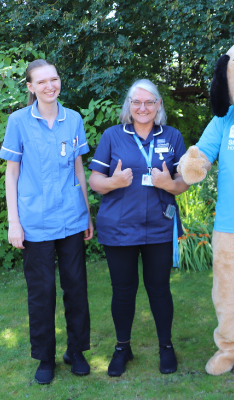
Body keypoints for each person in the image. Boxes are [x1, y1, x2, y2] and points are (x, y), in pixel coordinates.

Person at [1, 59, 94, 384]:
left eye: (53, 79)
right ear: (30, 87)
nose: (49, 86)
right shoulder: (18, 121)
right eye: (41, 82)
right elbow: (11, 175)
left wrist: (86, 213)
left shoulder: (74, 120)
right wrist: (14, 221)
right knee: (42, 292)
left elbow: (79, 168)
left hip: (71, 218)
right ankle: (45, 357)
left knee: (76, 288)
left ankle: (77, 351)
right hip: (35, 221)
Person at [88, 79, 189, 377]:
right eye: (136, 102)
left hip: (159, 226)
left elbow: (183, 182)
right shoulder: (112, 136)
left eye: (149, 102)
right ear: (128, 107)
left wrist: (169, 184)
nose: (142, 108)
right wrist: (113, 183)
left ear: (158, 105)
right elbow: (95, 181)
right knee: (123, 291)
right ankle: (122, 348)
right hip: (120, 228)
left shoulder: (172, 136)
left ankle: (166, 347)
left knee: (159, 290)